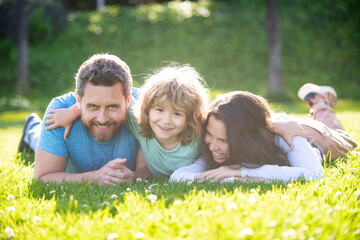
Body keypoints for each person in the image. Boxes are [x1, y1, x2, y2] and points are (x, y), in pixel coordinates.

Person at [41, 64, 305, 179]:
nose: (165, 121)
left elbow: (233, 118)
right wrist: (74, 112)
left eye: (177, 114)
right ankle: (33, 129)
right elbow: (102, 106)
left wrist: (274, 124)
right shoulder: (142, 118)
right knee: (38, 135)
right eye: (159, 112)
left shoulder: (197, 126)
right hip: (65, 120)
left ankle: (320, 108)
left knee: (324, 133)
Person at [18, 53, 149, 185]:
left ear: (127, 100)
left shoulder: (145, 107)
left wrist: (134, 176)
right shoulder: (60, 110)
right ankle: (31, 127)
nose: (102, 119)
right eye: (93, 106)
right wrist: (95, 177)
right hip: (55, 131)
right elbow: (43, 178)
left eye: (112, 107)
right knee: (38, 136)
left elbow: (154, 168)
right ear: (78, 100)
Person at [170, 91, 325, 183]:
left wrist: (240, 170)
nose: (212, 146)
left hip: (318, 137)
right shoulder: (213, 146)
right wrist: (234, 177)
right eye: (209, 134)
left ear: (247, 139)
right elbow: (178, 177)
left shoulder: (284, 133)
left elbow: (313, 174)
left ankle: (321, 102)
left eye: (223, 140)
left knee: (325, 117)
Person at [297, 83, 357, 161]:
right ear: (313, 98)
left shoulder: (321, 113)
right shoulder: (324, 111)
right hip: (340, 142)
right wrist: (322, 106)